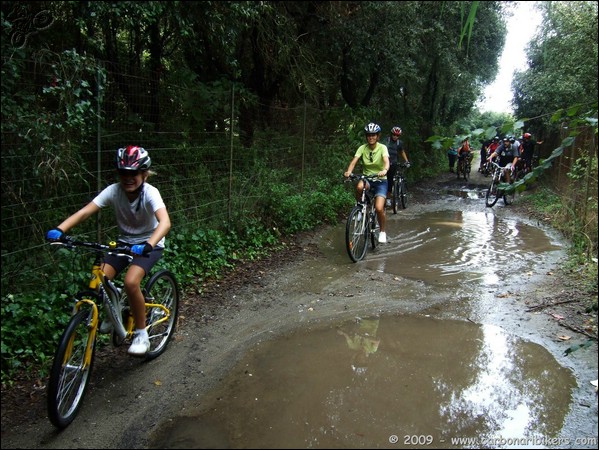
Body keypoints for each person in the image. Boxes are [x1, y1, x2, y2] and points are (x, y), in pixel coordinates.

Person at [45, 146, 171, 356]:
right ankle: (115, 314)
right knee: (100, 278)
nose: (128, 178)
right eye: (124, 173)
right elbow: (85, 211)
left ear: (144, 174)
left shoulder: (151, 193)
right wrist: (61, 229)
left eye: (133, 174)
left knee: (131, 282)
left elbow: (165, 222)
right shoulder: (114, 191)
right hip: (123, 243)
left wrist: (149, 244)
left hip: (150, 244)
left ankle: (141, 333)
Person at [344, 122, 390, 243]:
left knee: (379, 208)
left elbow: (386, 161)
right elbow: (354, 161)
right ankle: (360, 208)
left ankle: (382, 231)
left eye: (373, 135)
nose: (371, 137)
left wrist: (384, 170)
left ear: (378, 136)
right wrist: (349, 172)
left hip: (380, 180)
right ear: (366, 136)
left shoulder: (382, 148)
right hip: (367, 179)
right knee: (359, 186)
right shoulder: (362, 148)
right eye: (369, 135)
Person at [384, 126, 410, 207]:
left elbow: (402, 152)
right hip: (385, 163)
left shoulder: (399, 143)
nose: (395, 136)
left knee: (390, 180)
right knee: (384, 180)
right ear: (391, 134)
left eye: (397, 135)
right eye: (394, 135)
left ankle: (388, 198)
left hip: (394, 163)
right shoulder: (387, 141)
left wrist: (406, 161)